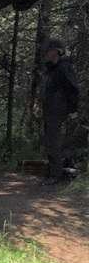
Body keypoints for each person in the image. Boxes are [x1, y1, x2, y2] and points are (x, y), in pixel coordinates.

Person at [41, 38, 79, 185]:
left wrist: (73, 109)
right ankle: (54, 172)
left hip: (58, 110)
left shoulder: (63, 67)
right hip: (50, 110)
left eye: (50, 50)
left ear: (57, 52)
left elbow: (72, 89)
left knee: (52, 142)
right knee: (50, 142)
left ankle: (56, 175)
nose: (47, 52)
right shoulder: (51, 68)